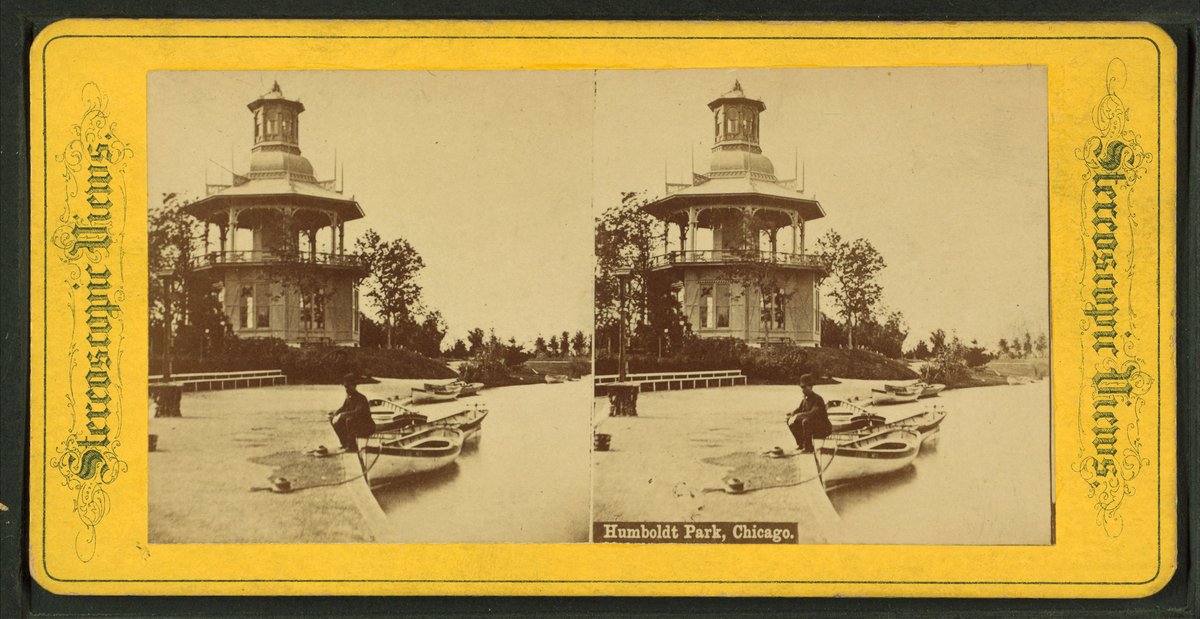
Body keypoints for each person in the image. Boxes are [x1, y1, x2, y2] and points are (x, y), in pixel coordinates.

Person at [328, 373, 374, 452]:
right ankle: (345, 443)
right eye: (345, 387)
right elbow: (343, 408)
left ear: (354, 386)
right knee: (332, 418)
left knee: (349, 420)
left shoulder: (361, 398)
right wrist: (335, 414)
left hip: (367, 426)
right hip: (356, 423)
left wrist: (341, 415)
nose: (346, 389)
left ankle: (352, 447)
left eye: (348, 386)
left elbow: (357, 412)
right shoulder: (349, 397)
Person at [786, 374, 832, 452]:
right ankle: (801, 444)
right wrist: (792, 414)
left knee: (805, 421)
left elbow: (812, 413)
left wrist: (798, 415)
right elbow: (800, 409)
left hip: (823, 428)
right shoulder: (805, 398)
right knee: (790, 420)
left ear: (810, 387)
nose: (802, 390)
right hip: (812, 425)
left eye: (804, 387)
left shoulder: (818, 399)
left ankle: (808, 447)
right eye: (801, 387)